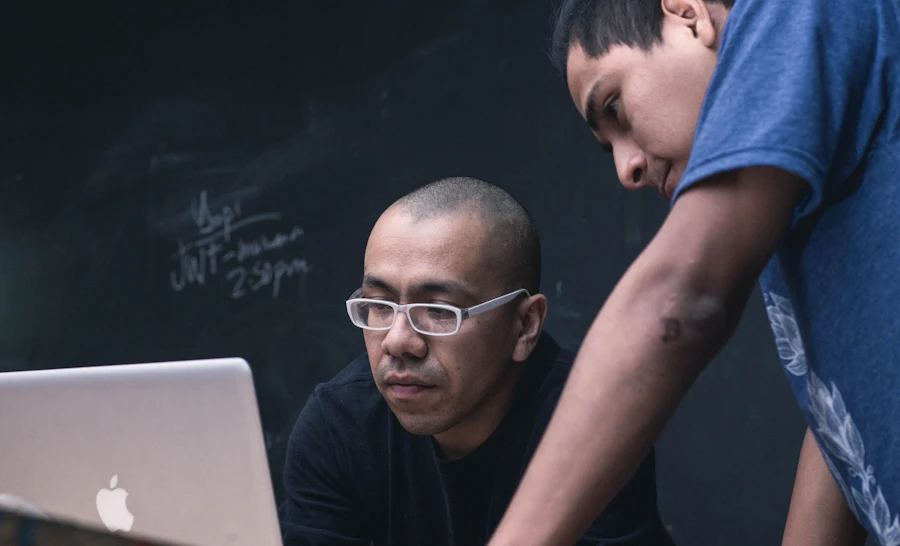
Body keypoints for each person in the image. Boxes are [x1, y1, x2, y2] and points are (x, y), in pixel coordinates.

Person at [486, 0, 900, 545]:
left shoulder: (794, 11)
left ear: (687, 13)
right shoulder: (788, 191)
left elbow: (678, 302)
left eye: (615, 107)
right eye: (608, 146)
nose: (626, 168)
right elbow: (838, 413)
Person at [279, 177, 675, 545]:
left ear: (524, 326)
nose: (398, 341)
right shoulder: (339, 425)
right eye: (379, 305)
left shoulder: (592, 424)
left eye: (438, 311)